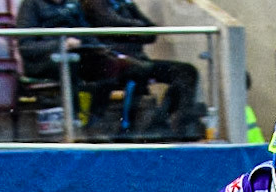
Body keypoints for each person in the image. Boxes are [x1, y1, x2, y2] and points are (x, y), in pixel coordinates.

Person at [82, 0, 202, 137]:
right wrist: (137, 28)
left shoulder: (125, 3)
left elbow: (151, 33)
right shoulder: (95, 3)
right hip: (112, 62)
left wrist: (131, 30)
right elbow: (109, 22)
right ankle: (130, 129)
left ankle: (169, 123)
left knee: (186, 71)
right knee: (138, 70)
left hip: (140, 61)